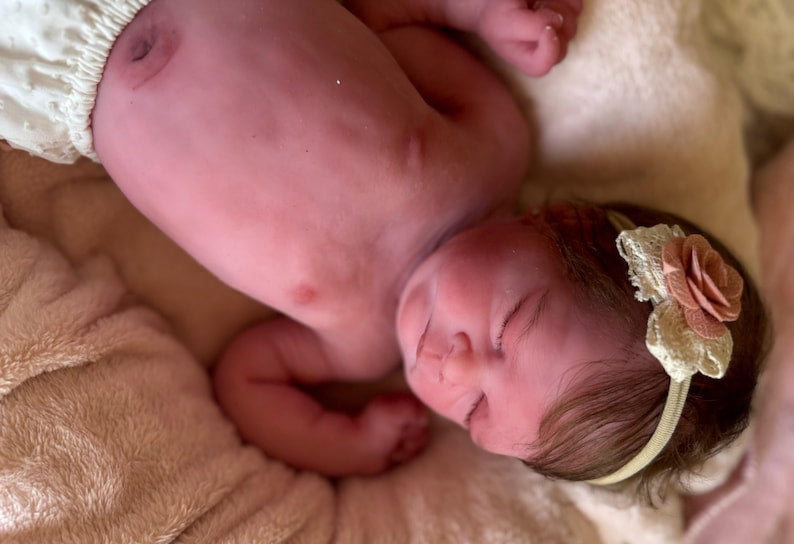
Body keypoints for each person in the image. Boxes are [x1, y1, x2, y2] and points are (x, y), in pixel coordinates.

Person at [1, 0, 766, 497]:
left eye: (474, 410)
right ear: (554, 222)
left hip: (54, 75)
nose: (452, 367)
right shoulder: (488, 148)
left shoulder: (356, 348)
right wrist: (482, 15)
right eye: (505, 331)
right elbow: (381, 21)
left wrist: (346, 444)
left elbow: (247, 378)